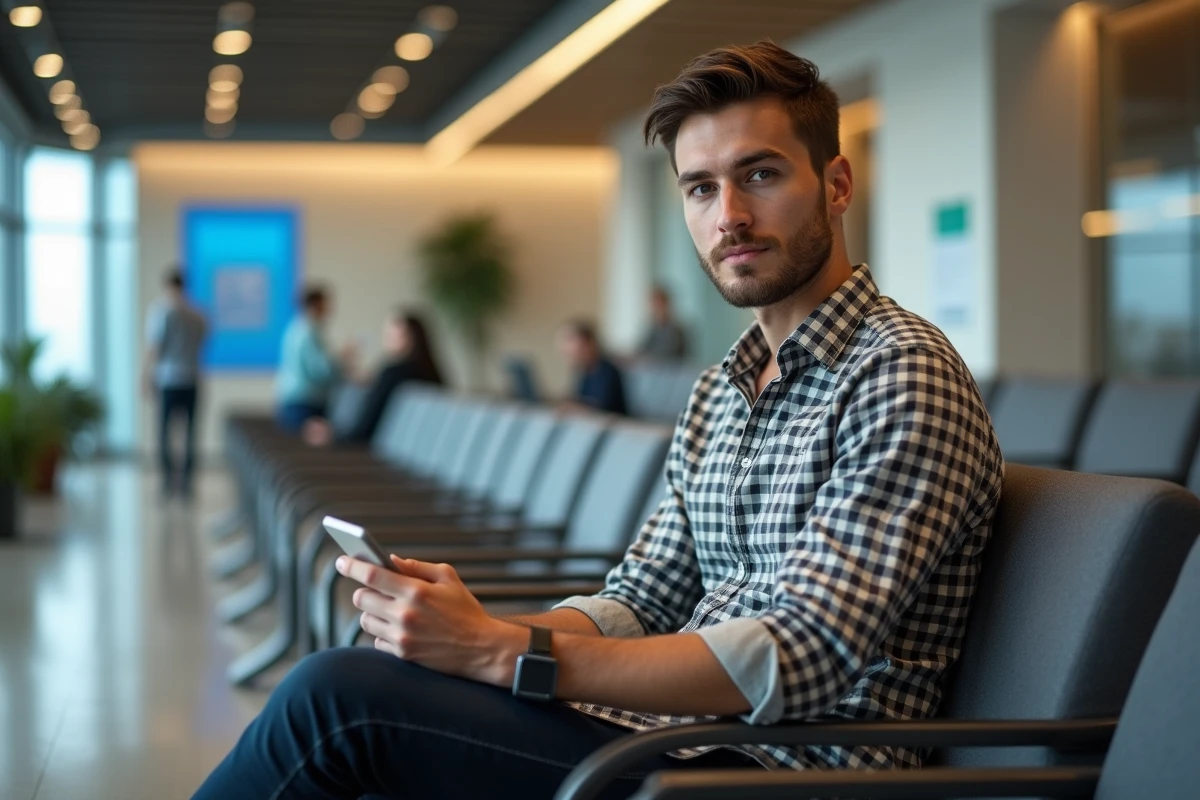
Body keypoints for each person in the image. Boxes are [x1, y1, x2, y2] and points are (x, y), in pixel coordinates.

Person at [194, 41, 1003, 799]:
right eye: (700, 187)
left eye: (759, 175)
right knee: (379, 676)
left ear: (835, 185)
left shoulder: (901, 373)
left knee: (339, 698)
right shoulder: (722, 389)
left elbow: (794, 659)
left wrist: (502, 653)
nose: (728, 216)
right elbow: (641, 599)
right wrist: (474, 633)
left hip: (772, 772)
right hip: (669, 739)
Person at [302, 311, 445, 447]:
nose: (386, 336)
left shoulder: (393, 373)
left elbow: (365, 427)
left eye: (392, 333)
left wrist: (331, 434)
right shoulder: (429, 372)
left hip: (372, 453)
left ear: (410, 337)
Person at [142, 268, 208, 499]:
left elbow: (155, 346)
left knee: (165, 432)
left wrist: (146, 375)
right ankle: (187, 482)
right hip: (191, 377)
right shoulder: (198, 314)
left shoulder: (162, 311)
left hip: (168, 378)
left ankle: (168, 481)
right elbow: (202, 343)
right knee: (190, 432)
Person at [275, 285, 353, 433]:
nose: (329, 309)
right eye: (326, 304)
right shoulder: (308, 333)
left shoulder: (296, 329)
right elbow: (320, 371)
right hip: (305, 403)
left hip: (295, 401)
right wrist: (343, 360)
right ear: (316, 305)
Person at [560, 320, 628, 415]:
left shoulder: (607, 372)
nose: (564, 347)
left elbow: (603, 410)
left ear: (588, 343)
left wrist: (574, 407)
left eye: (570, 339)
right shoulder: (584, 371)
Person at [638, 285, 687, 361]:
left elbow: (667, 355)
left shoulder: (676, 332)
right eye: (654, 305)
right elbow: (643, 350)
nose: (655, 309)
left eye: (658, 304)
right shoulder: (654, 329)